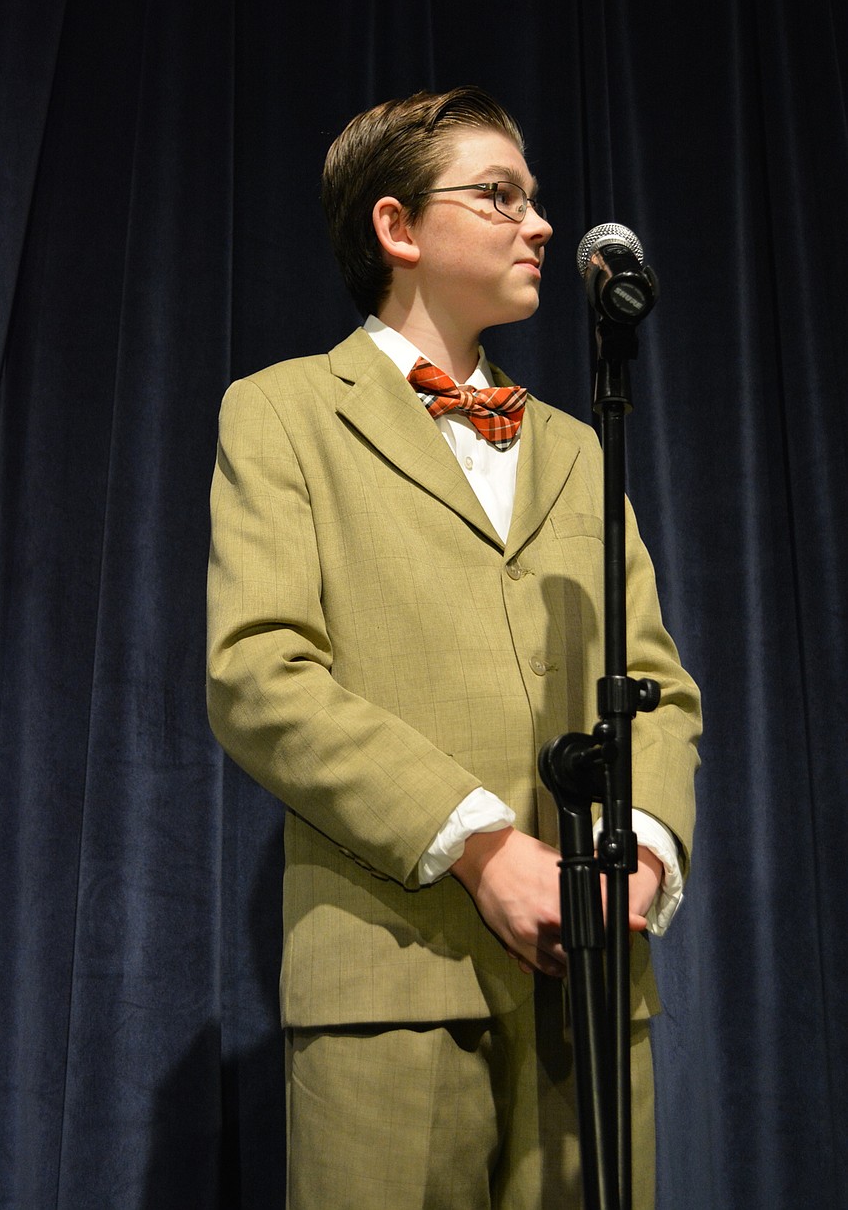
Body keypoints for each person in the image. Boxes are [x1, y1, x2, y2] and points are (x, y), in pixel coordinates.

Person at [206, 86, 701, 1209]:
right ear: (397, 226)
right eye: (499, 195)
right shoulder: (283, 412)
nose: (540, 224)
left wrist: (640, 854)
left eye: (535, 198)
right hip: (392, 975)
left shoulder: (578, 445)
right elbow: (259, 671)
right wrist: (483, 847)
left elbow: (657, 686)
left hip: (589, 972)